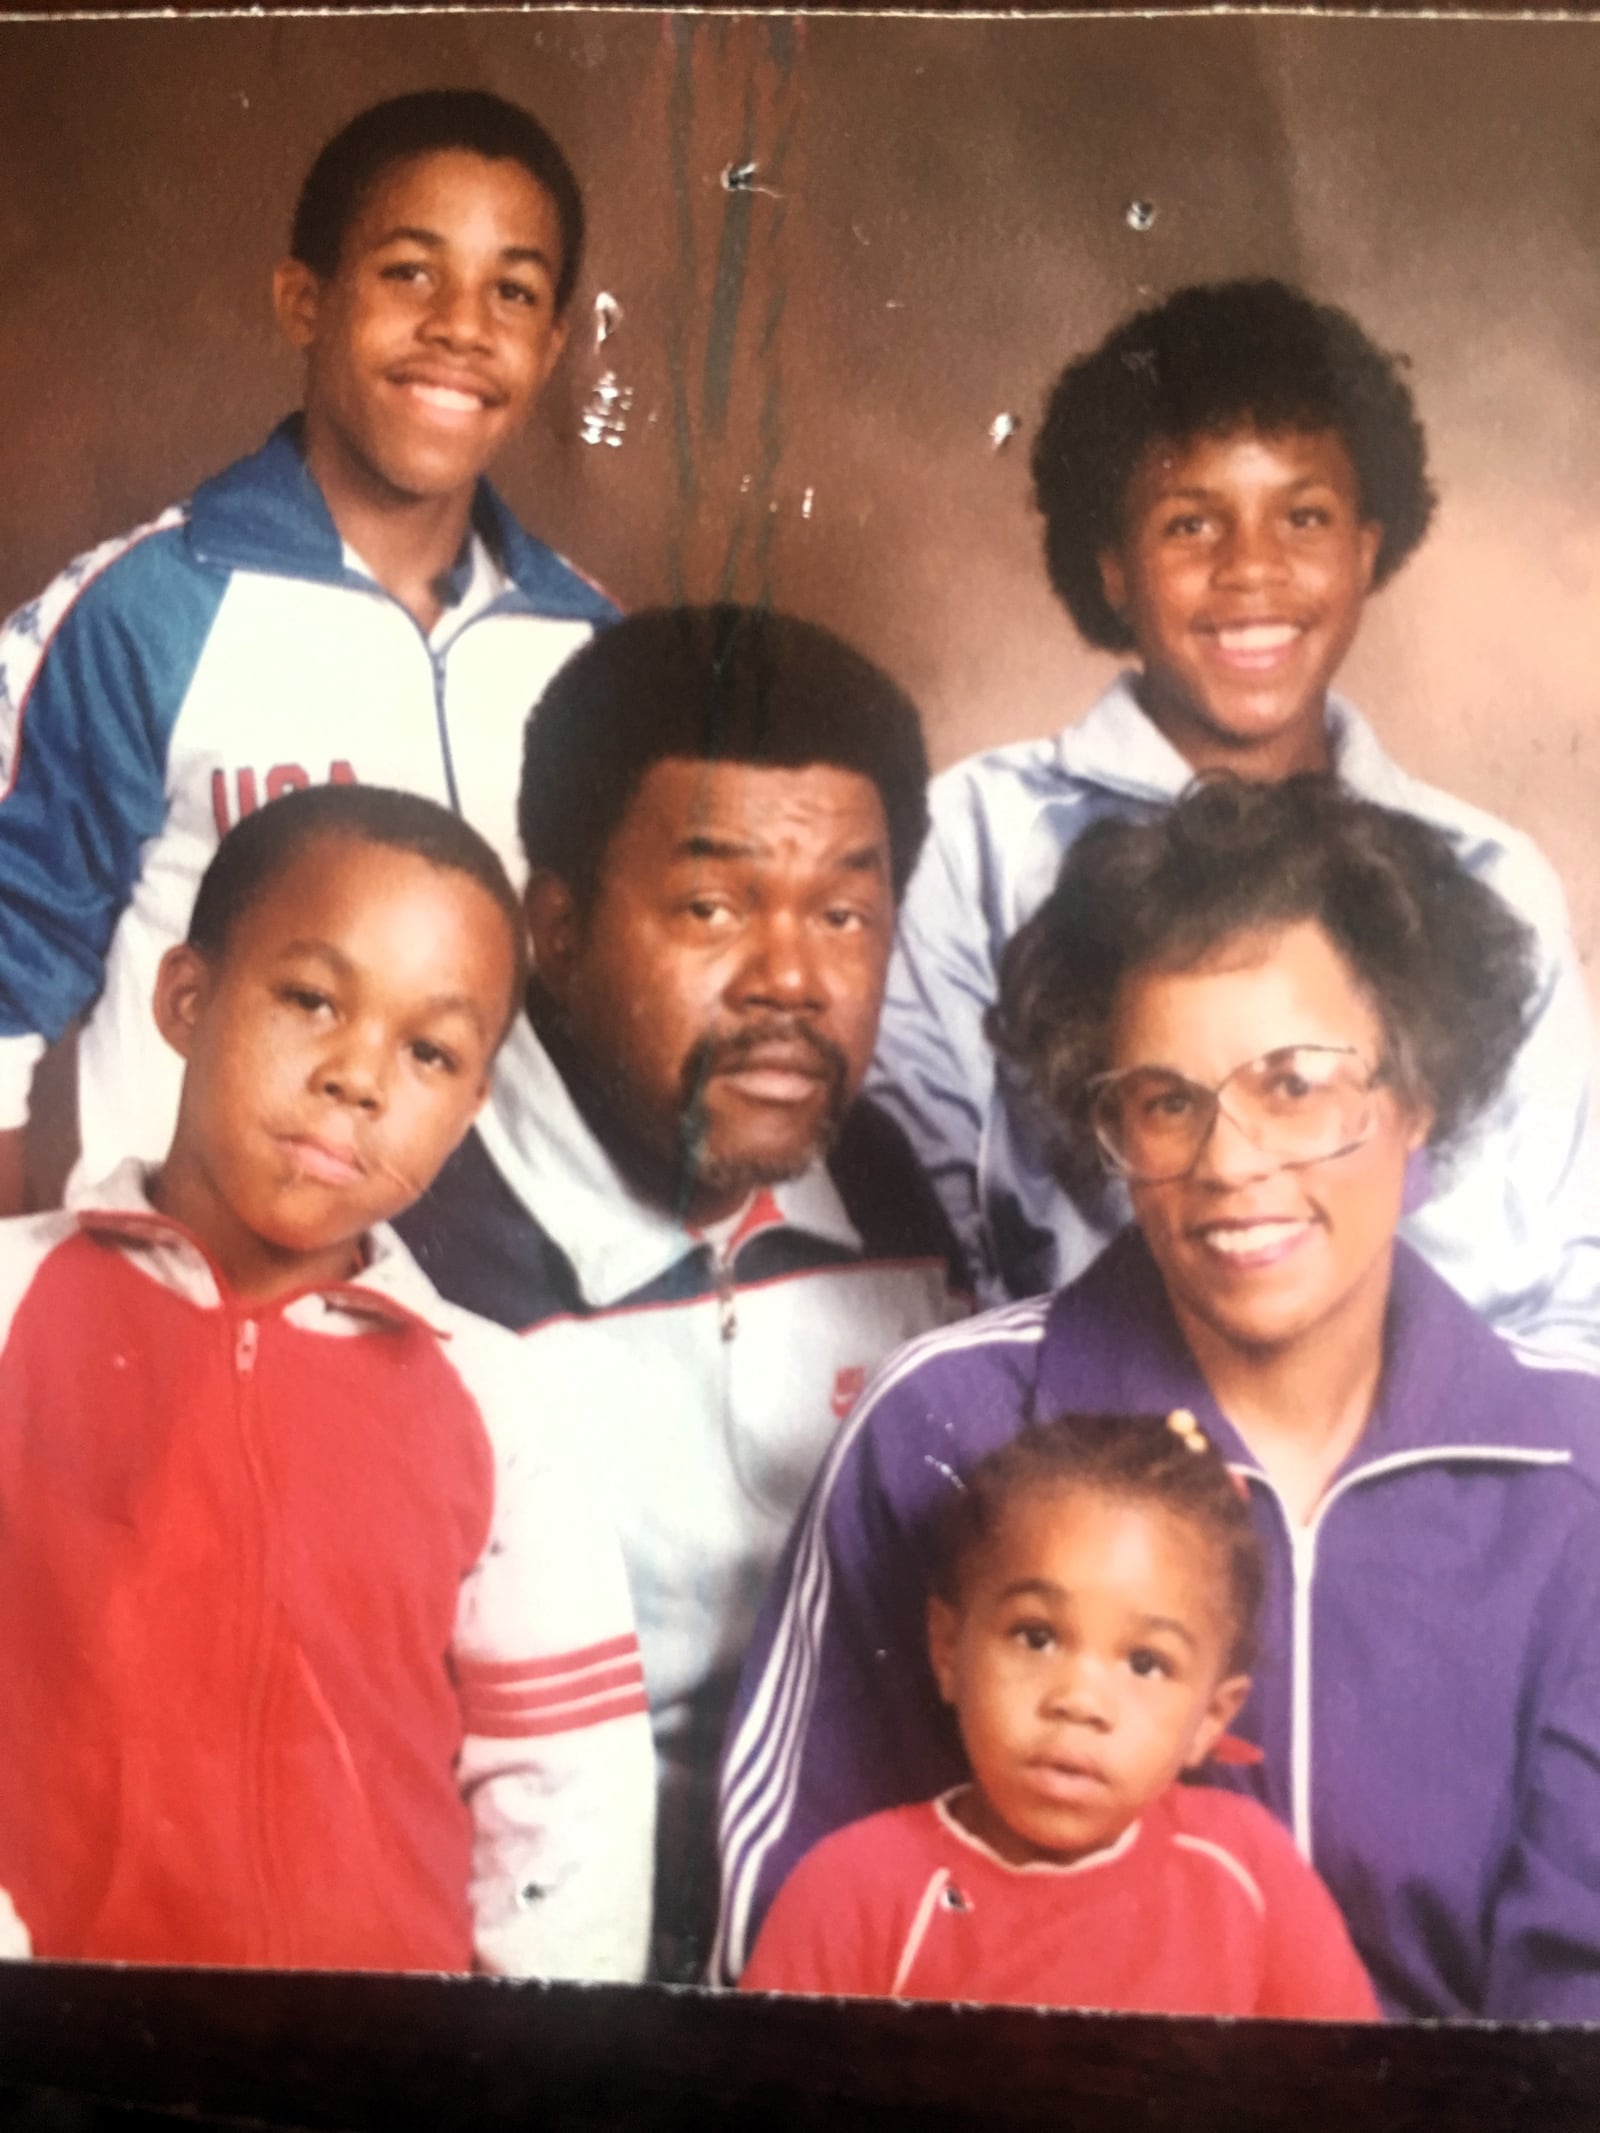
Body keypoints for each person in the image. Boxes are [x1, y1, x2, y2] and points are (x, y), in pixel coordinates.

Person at [718, 776, 1600, 2019]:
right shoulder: (947, 1428)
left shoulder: (1575, 1466)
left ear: (1417, 1094)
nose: (1229, 1165)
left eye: (1296, 1084)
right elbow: (797, 1936)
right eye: (1167, 1102)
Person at [866, 278, 1600, 1360]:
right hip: (1091, 1467)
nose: (1250, 570)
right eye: (1189, 523)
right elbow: (922, 1251)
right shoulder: (976, 841)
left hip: (1439, 1476)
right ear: (1111, 567)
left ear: (1364, 548)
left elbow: (1570, 1278)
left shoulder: (1489, 874)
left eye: (1302, 517)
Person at [398, 604, 967, 1979]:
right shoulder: (411, 1232)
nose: (789, 979)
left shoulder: (893, 1194)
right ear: (561, 926)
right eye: (711, 908)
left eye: (844, 913)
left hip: (845, 1960)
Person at [0, 784, 653, 1977]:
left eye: (429, 1051)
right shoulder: (9, 1307)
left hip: (376, 2073)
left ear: (468, 1108)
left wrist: (532, 2080)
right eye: (310, 1000)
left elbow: (566, 1799)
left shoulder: (501, 1403)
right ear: (186, 999)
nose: (358, 1076)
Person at [0, 87, 614, 1214]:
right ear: (304, 300)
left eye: (512, 291)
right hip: (185, 1308)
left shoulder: (591, 650)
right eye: (410, 272)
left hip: (503, 1348)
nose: (462, 326)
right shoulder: (150, 609)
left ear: (552, 344)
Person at [740, 1411, 1378, 2019]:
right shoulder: (853, 1894)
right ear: (948, 1650)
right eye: (1036, 1637)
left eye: (1147, 1663)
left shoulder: (1251, 1877)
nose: (1079, 1701)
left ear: (1211, 1717)